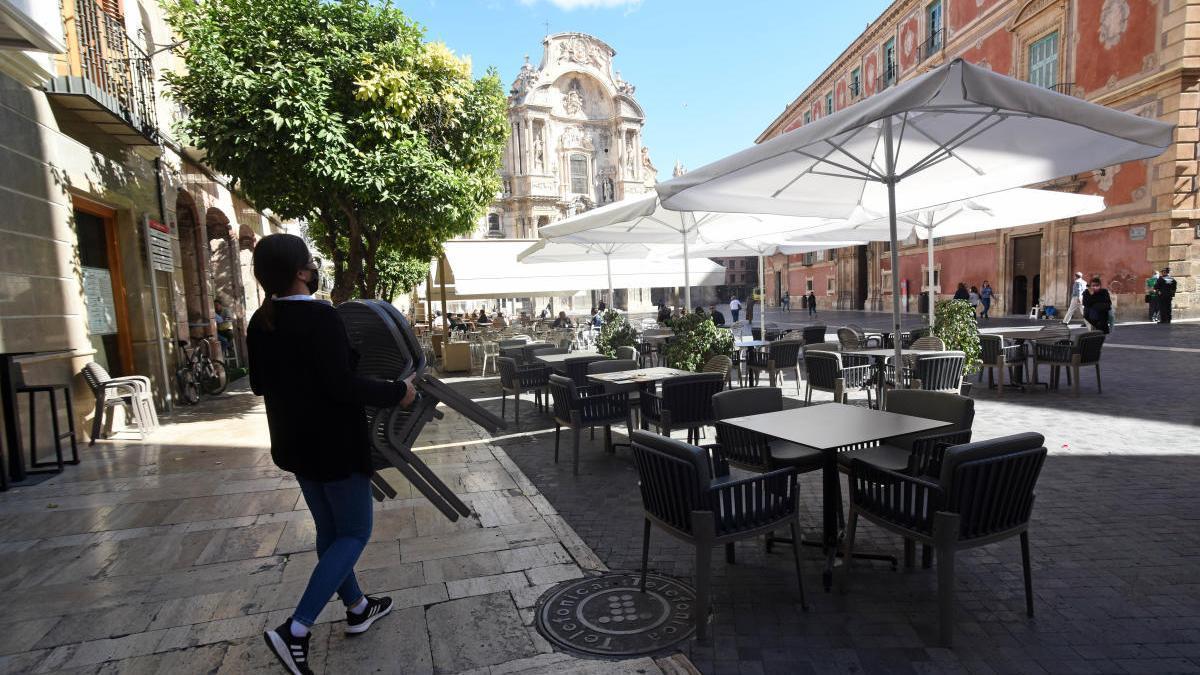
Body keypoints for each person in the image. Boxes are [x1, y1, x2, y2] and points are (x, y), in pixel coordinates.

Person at [247, 234, 414, 673]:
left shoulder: (260, 320)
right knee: (355, 533)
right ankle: (295, 629)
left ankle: (358, 607)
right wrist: (399, 392)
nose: (314, 267)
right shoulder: (321, 318)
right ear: (301, 272)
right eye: (311, 262)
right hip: (334, 443)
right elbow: (343, 385)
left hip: (294, 444)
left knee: (330, 530)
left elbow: (259, 385)